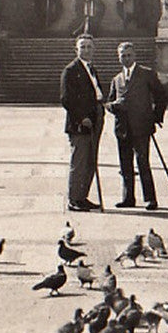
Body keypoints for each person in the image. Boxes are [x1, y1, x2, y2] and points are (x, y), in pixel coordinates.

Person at [106, 42, 168, 211]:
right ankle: (128, 198)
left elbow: (161, 97)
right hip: (122, 128)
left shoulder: (146, 74)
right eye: (122, 56)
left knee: (143, 163)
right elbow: (108, 102)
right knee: (125, 164)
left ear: (134, 56)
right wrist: (114, 105)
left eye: (128, 55)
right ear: (118, 58)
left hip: (141, 127)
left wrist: (155, 118)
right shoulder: (116, 79)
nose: (126, 58)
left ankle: (150, 199)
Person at [59, 34, 105, 212]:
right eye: (82, 47)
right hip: (80, 122)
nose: (86, 50)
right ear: (76, 50)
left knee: (90, 161)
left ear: (94, 49)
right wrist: (81, 118)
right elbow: (66, 99)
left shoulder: (91, 68)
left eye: (89, 46)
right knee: (79, 161)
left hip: (96, 117)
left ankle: (82, 196)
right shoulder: (71, 70)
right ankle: (73, 199)